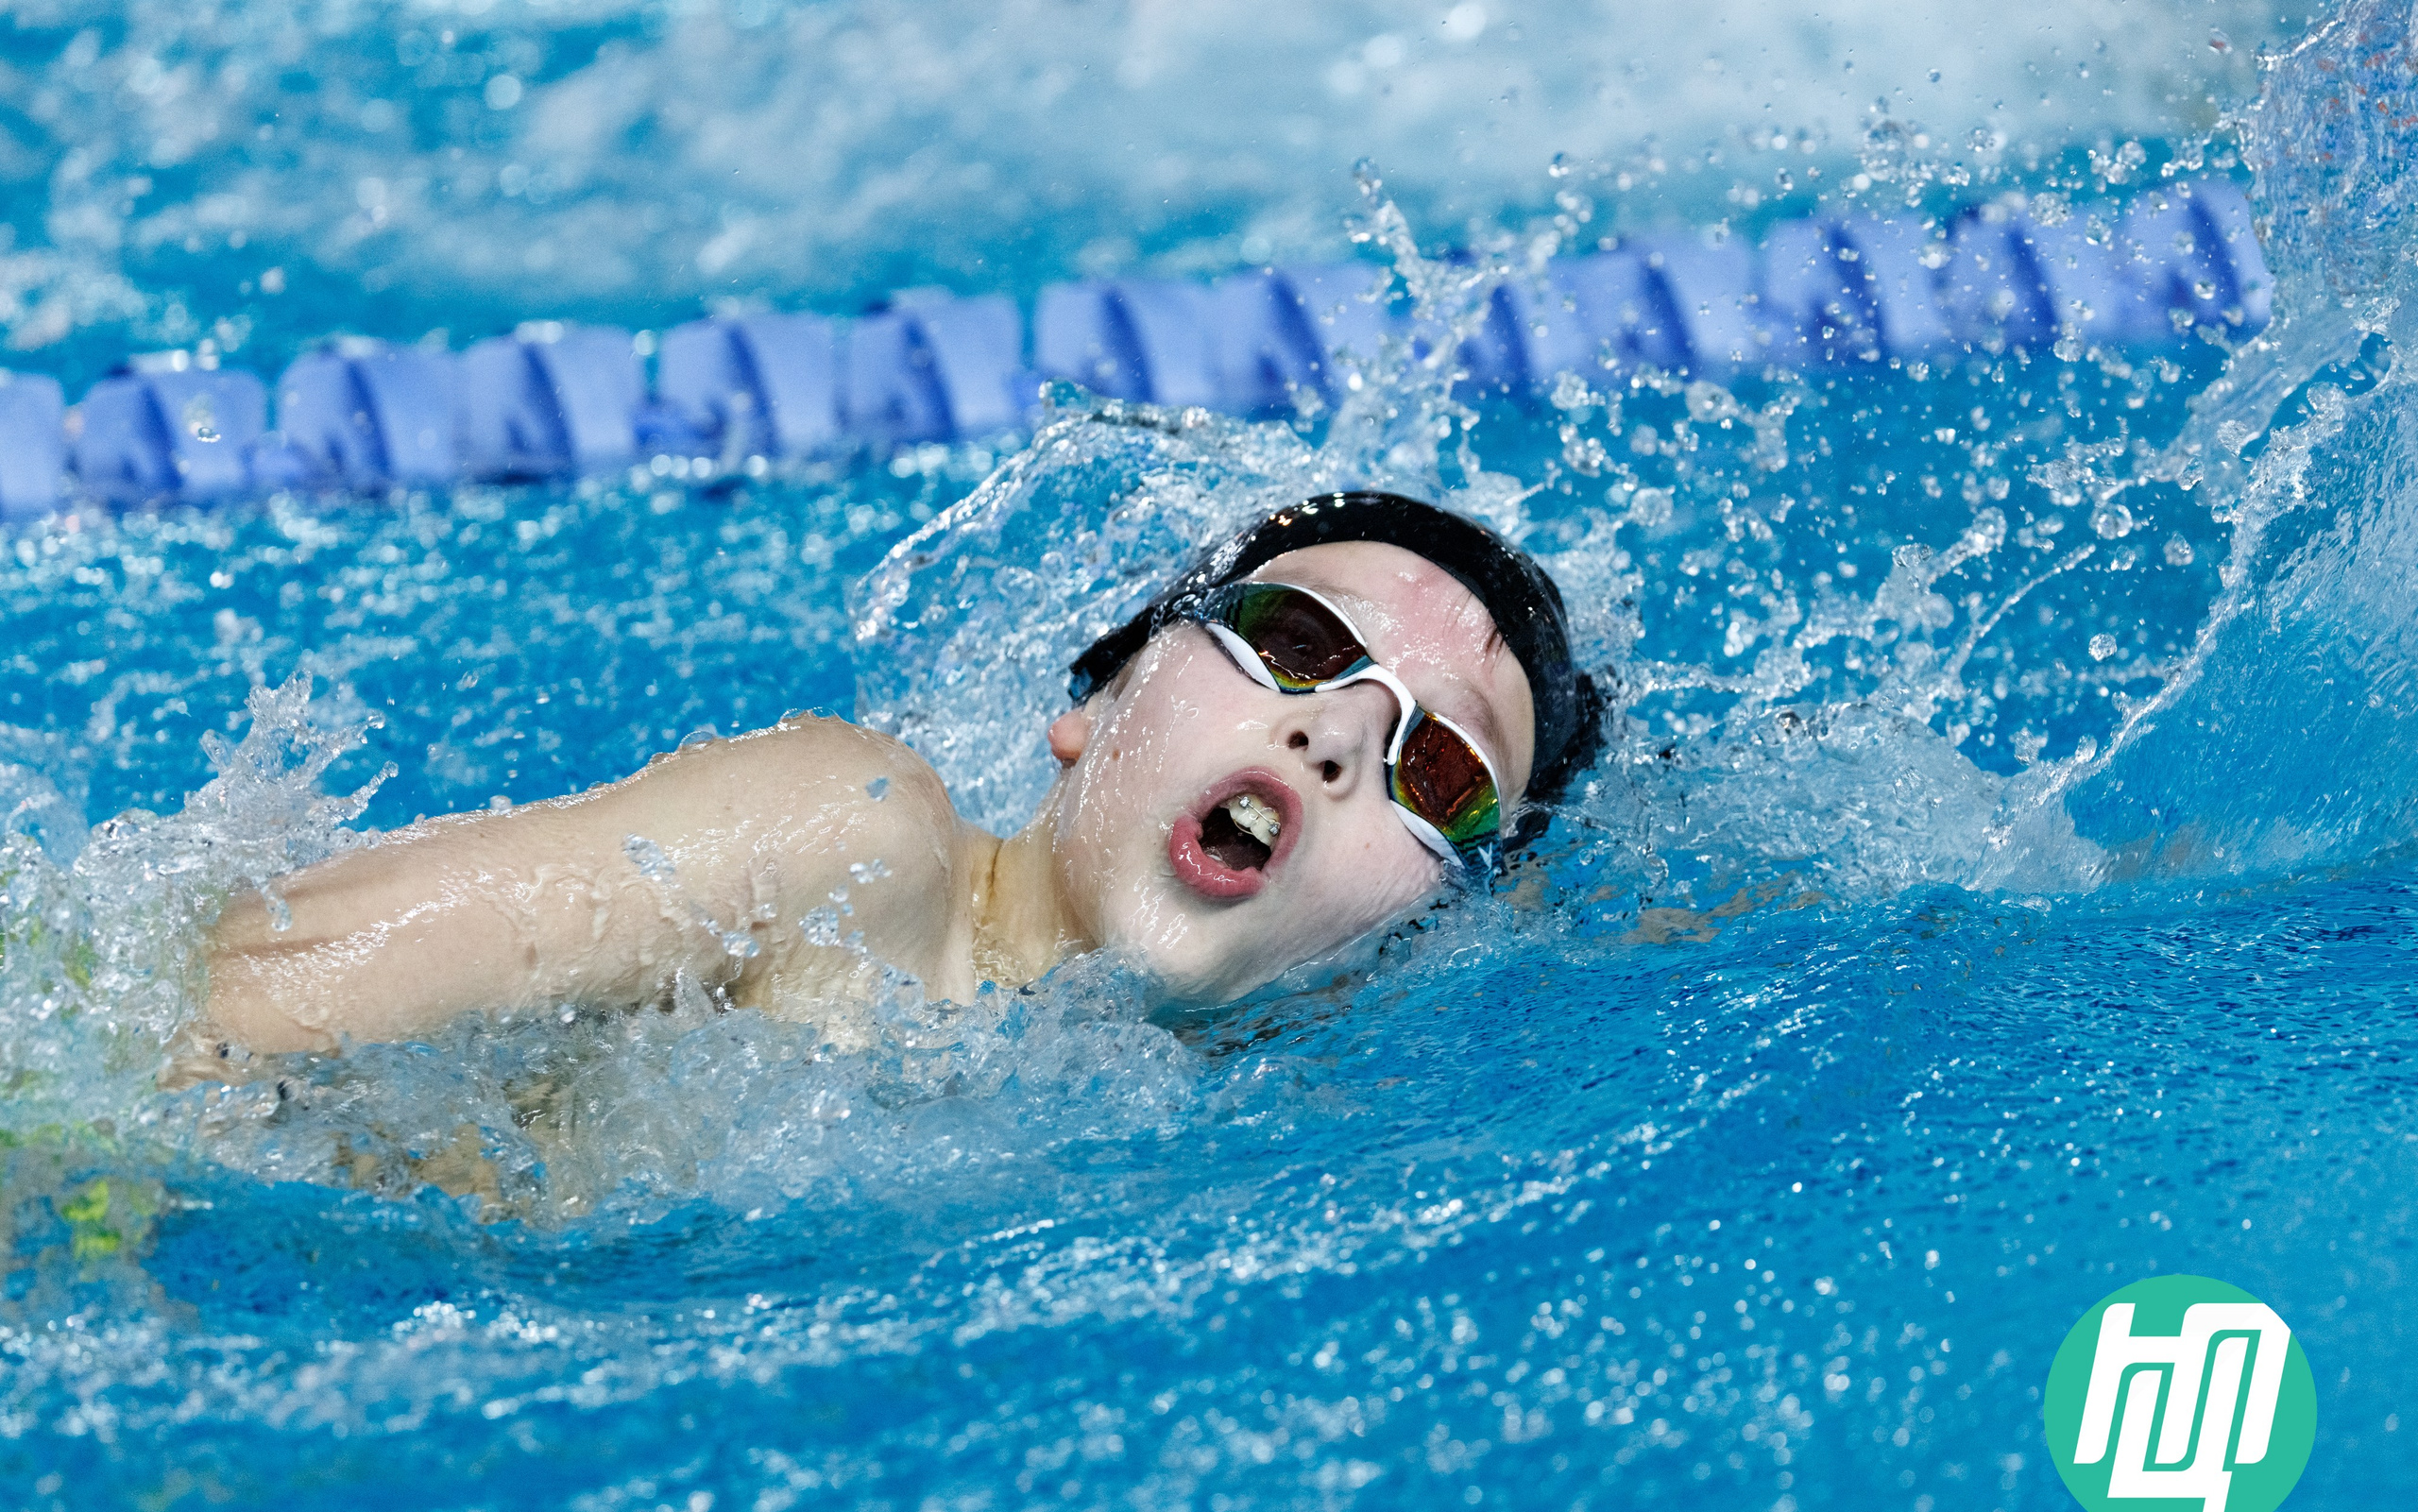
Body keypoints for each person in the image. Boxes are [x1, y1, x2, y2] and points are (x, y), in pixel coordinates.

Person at [182, 491, 1603, 1072]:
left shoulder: (1230, 1146)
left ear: (1407, 938)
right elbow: (238, 990)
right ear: (1100, 698)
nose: (1338, 733)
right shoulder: (852, 838)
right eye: (1301, 642)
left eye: (1440, 767)